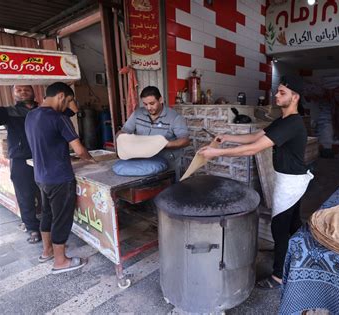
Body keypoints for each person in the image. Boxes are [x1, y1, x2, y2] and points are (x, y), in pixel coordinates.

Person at [198, 77, 314, 289]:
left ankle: (279, 276)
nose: (276, 95)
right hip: (290, 179)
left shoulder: (293, 123)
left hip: (291, 183)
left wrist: (217, 152)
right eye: (277, 92)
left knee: (280, 227)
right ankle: (299, 259)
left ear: (295, 97)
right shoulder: (282, 120)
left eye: (282, 92)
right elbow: (255, 137)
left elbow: (254, 148)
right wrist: (227, 136)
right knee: (293, 224)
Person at [25, 82, 93, 274]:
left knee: (47, 214)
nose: (68, 106)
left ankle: (47, 252)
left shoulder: (31, 115)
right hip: (60, 178)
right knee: (62, 219)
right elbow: (79, 150)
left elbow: (46, 144)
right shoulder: (59, 118)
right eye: (69, 100)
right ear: (61, 96)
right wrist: (92, 161)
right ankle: (61, 261)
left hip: (41, 176)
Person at [0, 85, 41, 243]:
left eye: (26, 89)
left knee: (48, 192)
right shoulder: (7, 112)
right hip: (20, 159)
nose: (23, 92)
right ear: (13, 94)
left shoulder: (43, 109)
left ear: (34, 91)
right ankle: (32, 228)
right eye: (19, 90)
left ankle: (49, 225)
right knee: (25, 195)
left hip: (43, 158)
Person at [120, 86, 190, 178]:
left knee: (169, 189)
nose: (148, 107)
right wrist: (121, 141)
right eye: (145, 104)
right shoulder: (138, 114)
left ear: (160, 100)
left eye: (152, 103)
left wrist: (162, 144)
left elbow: (185, 141)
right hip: (144, 160)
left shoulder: (174, 117)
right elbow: (124, 132)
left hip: (168, 163)